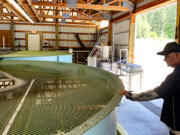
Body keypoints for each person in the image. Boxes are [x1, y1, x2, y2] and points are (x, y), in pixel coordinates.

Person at [119, 42, 180, 135]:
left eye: (167, 56)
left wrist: (131, 95)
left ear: (177, 55)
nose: (164, 59)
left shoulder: (176, 76)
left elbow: (157, 93)